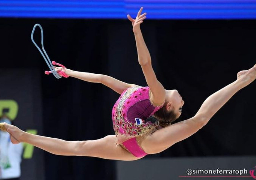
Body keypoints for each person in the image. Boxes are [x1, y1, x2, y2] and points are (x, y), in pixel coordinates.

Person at [0, 7, 256, 161]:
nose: (182, 101)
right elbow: (103, 79)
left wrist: (136, 32)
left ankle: (242, 83)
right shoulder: (139, 94)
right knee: (76, 148)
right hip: (129, 138)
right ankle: (21, 136)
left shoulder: (157, 97)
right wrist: (69, 72)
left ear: (167, 106)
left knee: (199, 121)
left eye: (180, 106)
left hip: (143, 141)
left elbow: (146, 64)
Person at [0, 115, 23, 180]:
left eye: (6, 121)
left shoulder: (16, 137)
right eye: (2, 121)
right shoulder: (1, 138)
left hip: (14, 173)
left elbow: (17, 152)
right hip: (2, 174)